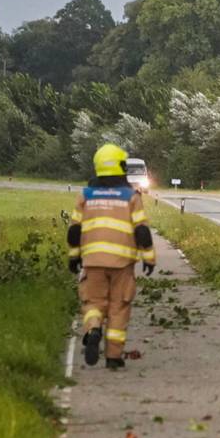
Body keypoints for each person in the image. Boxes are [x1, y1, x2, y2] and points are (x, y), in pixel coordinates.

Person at [67, 144, 156, 369]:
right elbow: (142, 231)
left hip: (93, 261)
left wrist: (74, 257)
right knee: (119, 306)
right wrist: (149, 258)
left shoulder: (85, 195)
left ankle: (93, 328)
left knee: (93, 302)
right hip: (122, 263)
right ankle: (114, 356)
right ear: (120, 167)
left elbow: (75, 230)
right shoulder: (131, 196)